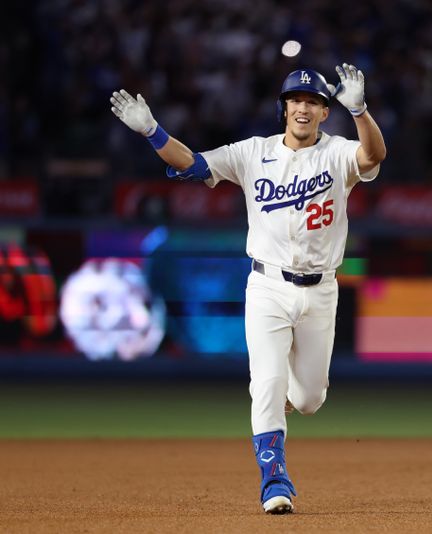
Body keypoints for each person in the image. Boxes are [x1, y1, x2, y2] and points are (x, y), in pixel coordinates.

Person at [110, 63, 386, 514]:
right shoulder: (252, 152)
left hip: (322, 290)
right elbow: (196, 165)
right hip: (268, 286)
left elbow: (373, 156)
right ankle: (274, 481)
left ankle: (282, 406)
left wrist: (359, 111)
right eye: (296, 100)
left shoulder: (337, 153)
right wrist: (153, 132)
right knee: (268, 382)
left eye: (314, 102)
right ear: (284, 109)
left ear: (322, 113)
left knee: (310, 398)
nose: (303, 107)